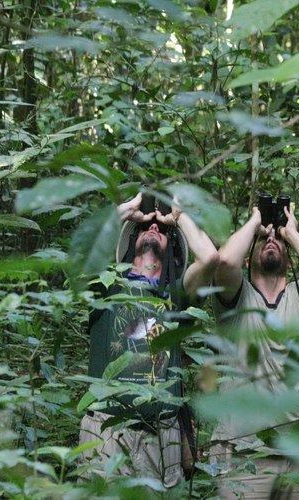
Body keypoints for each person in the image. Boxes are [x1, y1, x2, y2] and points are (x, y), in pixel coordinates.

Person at [79, 192, 219, 489]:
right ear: (131, 241)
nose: (154, 229)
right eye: (146, 228)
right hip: (106, 430)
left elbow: (210, 258)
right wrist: (130, 211)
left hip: (162, 434)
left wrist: (179, 216)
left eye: (163, 231)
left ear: (172, 248)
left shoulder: (177, 296)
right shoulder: (105, 287)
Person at [210, 204, 299, 499]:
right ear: (250, 258)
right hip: (244, 453)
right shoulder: (238, 295)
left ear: (289, 257)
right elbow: (224, 262)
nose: (271, 240)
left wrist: (292, 234)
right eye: (265, 240)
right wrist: (254, 222)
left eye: (279, 241)